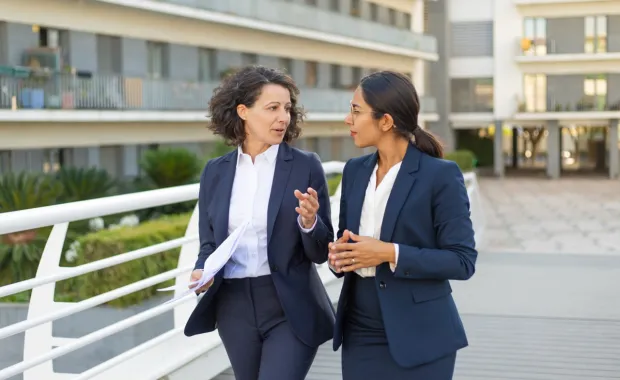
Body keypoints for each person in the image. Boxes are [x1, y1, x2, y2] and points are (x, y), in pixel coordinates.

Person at [183, 65, 335, 380]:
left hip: (289, 305)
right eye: (273, 108)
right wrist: (203, 270)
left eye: (288, 109)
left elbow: (321, 251)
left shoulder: (305, 167)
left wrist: (309, 222)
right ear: (243, 112)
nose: (284, 117)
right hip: (233, 307)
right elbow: (209, 242)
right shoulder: (215, 172)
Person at [328, 71, 477, 380]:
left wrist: (390, 253)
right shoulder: (354, 171)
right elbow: (348, 244)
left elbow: (462, 261)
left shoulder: (440, 176)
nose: (348, 119)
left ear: (386, 121)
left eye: (356, 111)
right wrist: (339, 257)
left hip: (421, 331)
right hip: (360, 328)